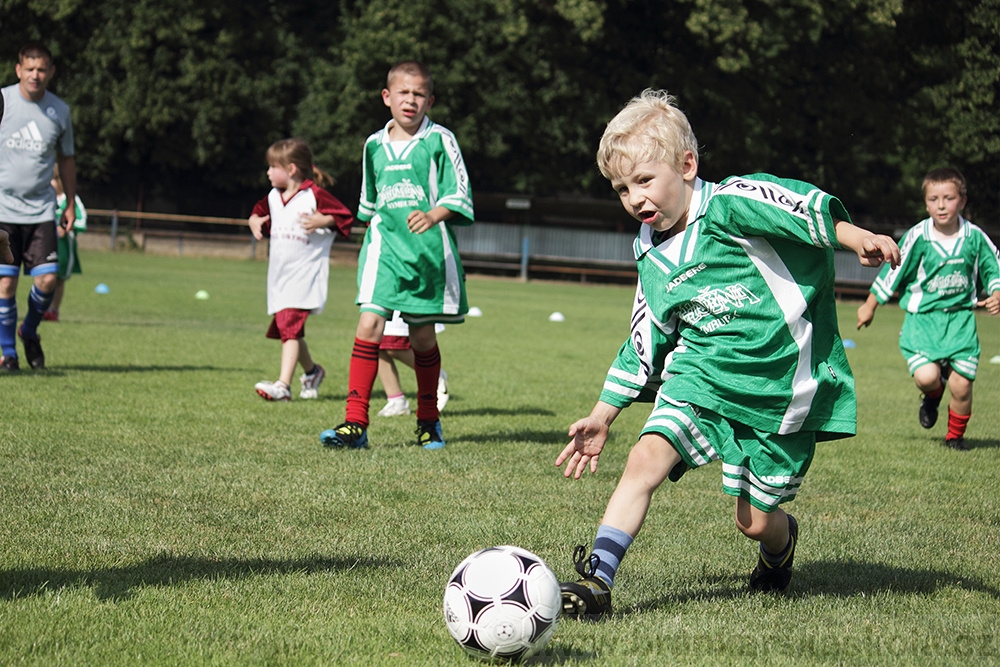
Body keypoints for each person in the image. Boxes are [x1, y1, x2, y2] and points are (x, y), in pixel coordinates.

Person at [554, 89, 900, 619]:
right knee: (645, 459)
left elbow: (800, 210)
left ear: (687, 164)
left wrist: (856, 237)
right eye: (622, 188)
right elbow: (647, 335)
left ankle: (779, 550)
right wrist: (604, 414)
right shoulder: (648, 246)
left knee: (755, 522)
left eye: (645, 179)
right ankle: (598, 580)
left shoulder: (733, 203)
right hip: (701, 375)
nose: (634, 198)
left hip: (781, 385)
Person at [320, 60, 474, 451]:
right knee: (369, 325)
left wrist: (434, 213)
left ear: (430, 100)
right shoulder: (373, 145)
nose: (411, 100)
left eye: (419, 94)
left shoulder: (441, 140)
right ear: (387, 97)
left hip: (426, 256)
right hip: (383, 250)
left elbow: (460, 192)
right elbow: (368, 205)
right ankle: (355, 424)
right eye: (403, 92)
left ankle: (428, 422)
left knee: (421, 338)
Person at [857, 168, 1000, 450]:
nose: (942, 205)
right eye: (934, 199)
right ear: (926, 203)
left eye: (949, 198)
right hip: (922, 323)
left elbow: (992, 266)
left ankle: (954, 438)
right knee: (927, 378)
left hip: (960, 323)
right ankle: (933, 397)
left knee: (962, 386)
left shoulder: (974, 237)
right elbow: (893, 273)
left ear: (963, 200)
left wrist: (997, 291)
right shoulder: (918, 236)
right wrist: (870, 305)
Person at [248, 138, 355, 401]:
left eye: (273, 167)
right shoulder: (273, 197)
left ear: (292, 168)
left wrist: (325, 219)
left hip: (306, 275)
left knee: (289, 325)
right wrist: (253, 220)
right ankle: (312, 371)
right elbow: (257, 213)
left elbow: (346, 217)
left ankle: (283, 386)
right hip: (279, 276)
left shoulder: (314, 195)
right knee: (289, 329)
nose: (268, 172)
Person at [0, 42, 76, 371]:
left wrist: (70, 202)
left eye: (41, 69)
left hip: (41, 210)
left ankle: (28, 330)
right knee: (5, 283)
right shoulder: (2, 101)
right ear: (18, 69)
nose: (35, 75)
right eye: (29, 68)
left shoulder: (59, 111)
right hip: (2, 208)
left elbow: (67, 159)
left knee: (46, 281)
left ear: (51, 72)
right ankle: (8, 353)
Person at [376, 311, 450, 417]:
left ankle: (435, 374)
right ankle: (396, 401)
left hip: (403, 300)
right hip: (385, 298)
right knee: (376, 345)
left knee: (393, 344)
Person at [43, 163, 87, 322]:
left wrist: (68, 228)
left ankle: (53, 310)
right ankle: (41, 309)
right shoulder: (45, 198)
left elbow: (82, 222)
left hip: (64, 249)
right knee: (45, 277)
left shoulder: (71, 200)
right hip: (44, 246)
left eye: (53, 179)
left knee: (59, 279)